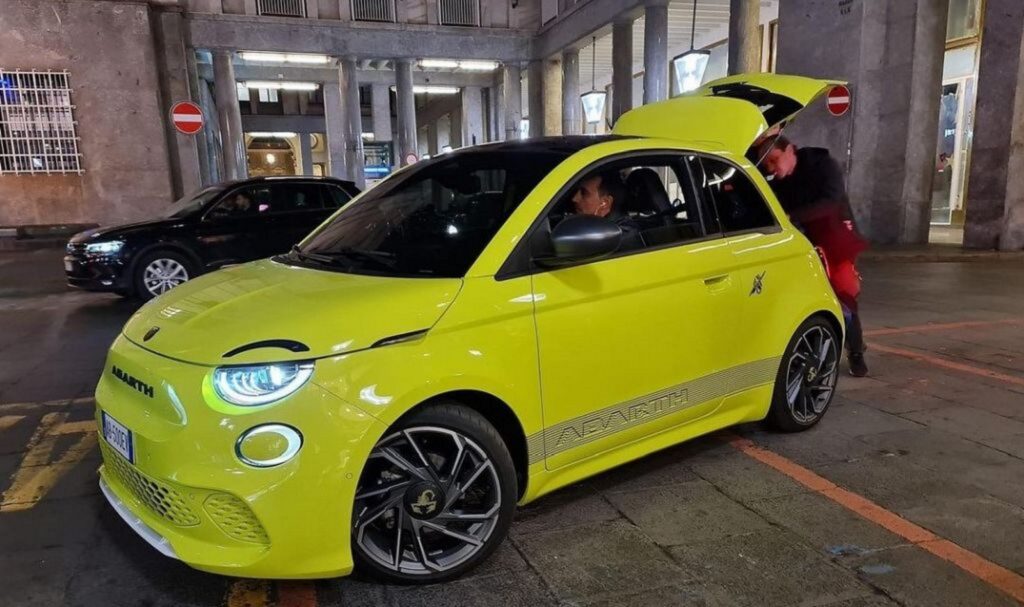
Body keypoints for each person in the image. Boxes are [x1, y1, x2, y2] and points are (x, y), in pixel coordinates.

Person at [757, 135, 870, 377]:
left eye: (775, 160)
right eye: (767, 166)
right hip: (802, 246)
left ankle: (856, 350)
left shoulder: (823, 165)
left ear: (790, 150)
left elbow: (831, 201)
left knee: (844, 295)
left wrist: (793, 217)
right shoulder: (778, 182)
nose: (773, 169)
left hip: (835, 240)